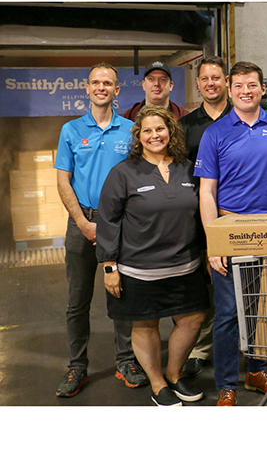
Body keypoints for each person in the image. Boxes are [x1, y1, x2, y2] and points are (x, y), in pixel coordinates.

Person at [195, 61, 267, 406]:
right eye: (239, 85)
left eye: (252, 85)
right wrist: (214, 243)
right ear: (230, 89)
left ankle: (258, 371)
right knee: (228, 312)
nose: (246, 91)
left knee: (263, 306)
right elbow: (207, 192)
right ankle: (227, 384)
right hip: (230, 230)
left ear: (262, 89)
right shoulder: (214, 134)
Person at [96, 106, 209, 406]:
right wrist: (110, 267)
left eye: (160, 129)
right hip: (139, 270)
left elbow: (202, 212)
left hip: (186, 265)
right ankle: (157, 383)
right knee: (145, 325)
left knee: (194, 318)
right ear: (139, 136)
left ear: (170, 131)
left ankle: (173, 374)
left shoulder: (187, 168)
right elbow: (108, 220)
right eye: (147, 130)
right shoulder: (124, 172)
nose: (154, 135)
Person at [54, 62, 145, 398]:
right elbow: (63, 179)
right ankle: (77, 367)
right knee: (77, 302)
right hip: (81, 221)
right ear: (88, 89)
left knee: (120, 295)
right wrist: (81, 222)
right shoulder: (71, 130)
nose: (102, 87)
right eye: (96, 82)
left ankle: (126, 362)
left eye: (108, 83)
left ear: (117, 90)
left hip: (119, 223)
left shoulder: (130, 130)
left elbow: (138, 177)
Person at [179, 56, 232, 379]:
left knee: (237, 285)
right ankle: (200, 349)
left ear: (226, 81)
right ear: (198, 84)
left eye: (216, 77)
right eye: (205, 78)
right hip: (197, 217)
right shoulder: (186, 126)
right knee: (203, 288)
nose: (211, 83)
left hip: (238, 215)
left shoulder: (241, 116)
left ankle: (242, 347)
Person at [124, 61, 190, 121]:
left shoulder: (185, 118)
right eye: (151, 79)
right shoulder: (129, 117)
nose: (156, 84)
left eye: (162, 79)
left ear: (171, 86)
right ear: (143, 85)